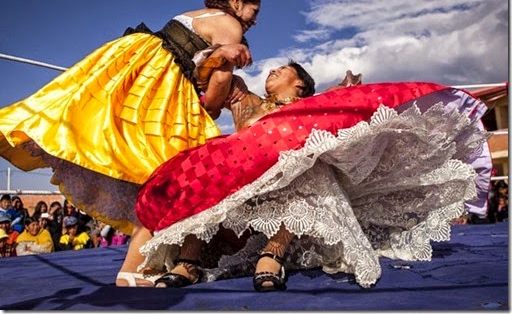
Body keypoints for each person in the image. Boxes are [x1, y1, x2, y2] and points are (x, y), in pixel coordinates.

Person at [136, 67, 492, 291]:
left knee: (310, 164)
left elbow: (349, 111)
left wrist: (345, 92)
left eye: (282, 71)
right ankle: (189, 261)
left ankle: (272, 254)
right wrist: (224, 52)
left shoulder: (315, 107)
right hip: (239, 185)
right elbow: (213, 77)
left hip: (288, 185)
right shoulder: (247, 102)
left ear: (301, 85)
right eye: (272, 70)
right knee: (208, 167)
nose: (272, 71)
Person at [0, 0, 260, 286]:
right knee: (173, 172)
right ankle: (135, 268)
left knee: (135, 155)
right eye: (253, 12)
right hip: (163, 85)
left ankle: (143, 260)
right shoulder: (231, 25)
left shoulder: (195, 14)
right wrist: (213, 108)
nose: (253, 21)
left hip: (134, 67)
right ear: (237, 0)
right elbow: (218, 83)